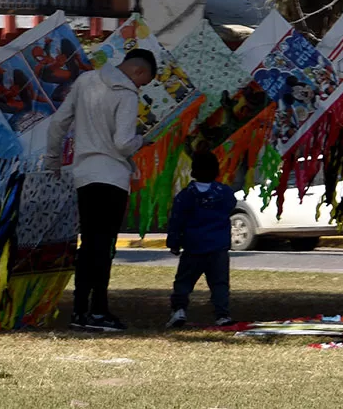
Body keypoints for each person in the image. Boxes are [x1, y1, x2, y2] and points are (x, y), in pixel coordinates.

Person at [45, 48, 156, 332]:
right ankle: (98, 310)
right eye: (143, 83)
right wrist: (141, 141)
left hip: (84, 175)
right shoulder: (127, 94)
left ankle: (80, 309)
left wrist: (52, 161)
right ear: (139, 72)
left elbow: (58, 123)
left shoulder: (85, 81)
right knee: (104, 246)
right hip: (113, 177)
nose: (139, 88)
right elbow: (122, 143)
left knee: (89, 244)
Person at [165, 151, 236, 328]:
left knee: (183, 282)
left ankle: (179, 310)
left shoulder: (185, 196)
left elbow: (177, 220)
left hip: (193, 247)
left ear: (193, 171)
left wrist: (173, 242)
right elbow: (231, 207)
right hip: (218, 248)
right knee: (219, 283)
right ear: (216, 171)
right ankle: (222, 315)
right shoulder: (224, 193)